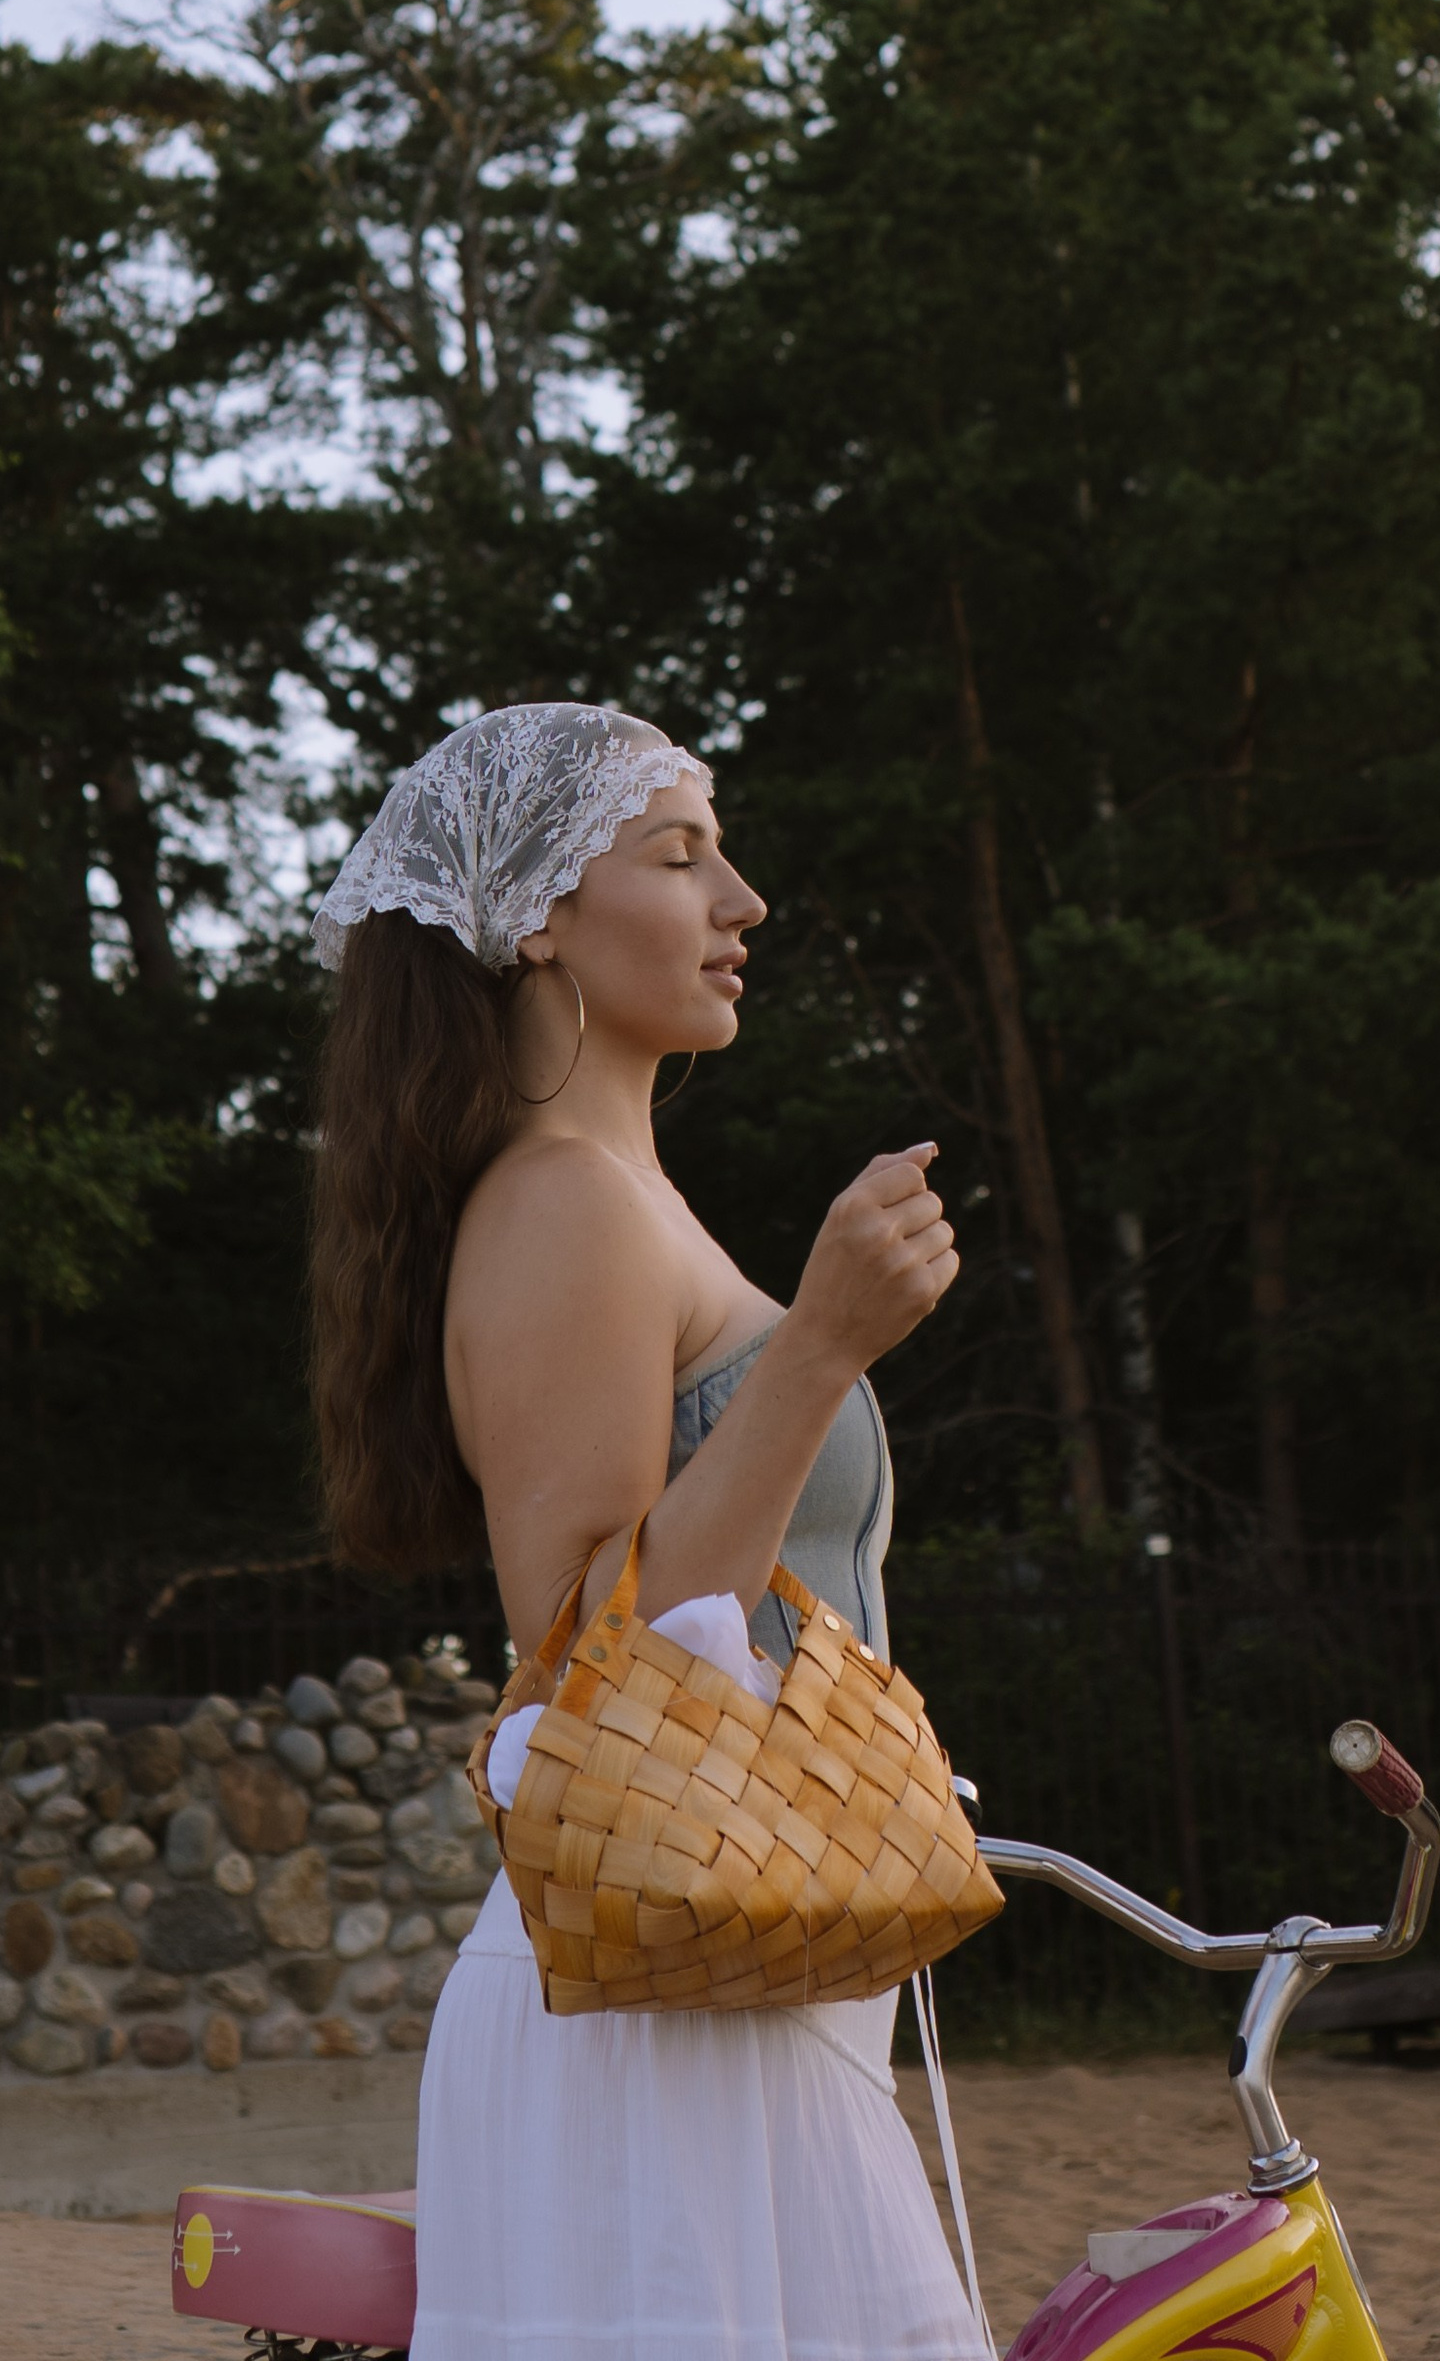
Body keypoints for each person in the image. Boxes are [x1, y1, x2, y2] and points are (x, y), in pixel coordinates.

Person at [307, 700, 990, 2361]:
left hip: (734, 1978)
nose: (744, 900)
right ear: (537, 914)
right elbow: (577, 1657)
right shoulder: (559, 1202)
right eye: (684, 855)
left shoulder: (626, 1195)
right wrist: (820, 1345)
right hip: (651, 2016)